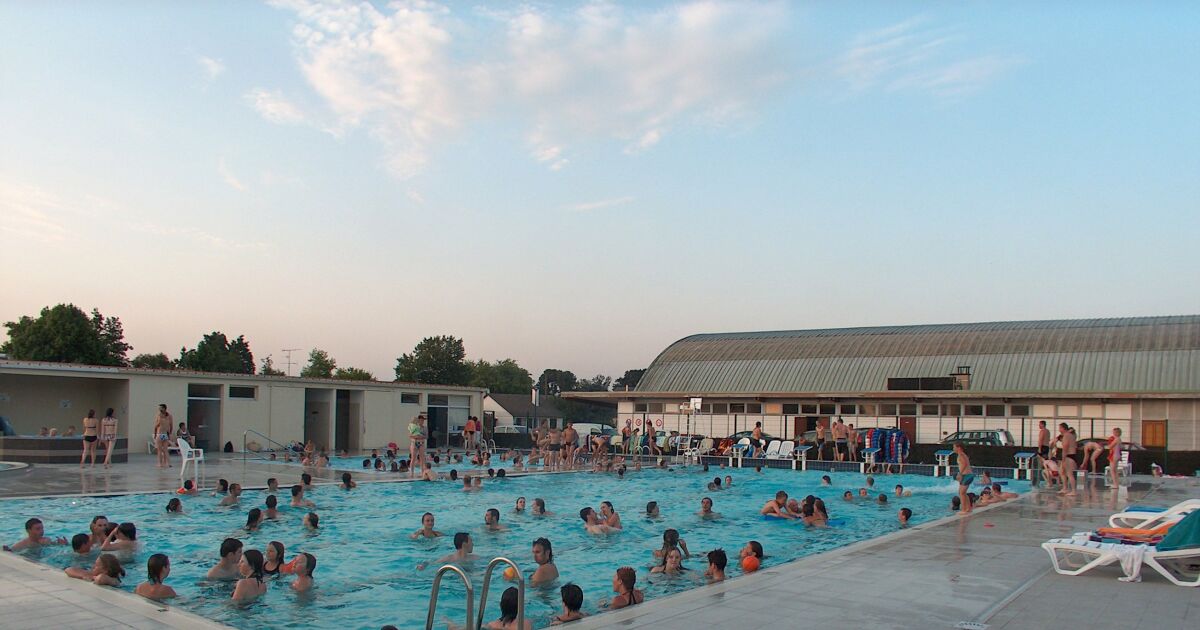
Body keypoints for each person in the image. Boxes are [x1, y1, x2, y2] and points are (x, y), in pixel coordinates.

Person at [953, 441, 974, 514]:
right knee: (963, 493)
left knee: (961, 493)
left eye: (954, 447)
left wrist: (959, 474)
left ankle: (964, 509)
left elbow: (964, 465)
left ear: (958, 447)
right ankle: (968, 508)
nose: (953, 448)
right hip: (967, 475)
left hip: (966, 476)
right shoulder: (962, 455)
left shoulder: (961, 455)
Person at [1058, 423, 1078, 495]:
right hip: (1071, 455)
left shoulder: (1066, 436)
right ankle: (1065, 488)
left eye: (1060, 428)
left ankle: (1073, 491)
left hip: (1068, 456)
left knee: (1069, 474)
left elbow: (1065, 448)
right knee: (1062, 472)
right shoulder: (1071, 435)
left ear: (1063, 428)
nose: (1059, 429)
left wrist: (1063, 460)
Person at [153, 404, 173, 468]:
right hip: (165, 434)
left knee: (159, 450)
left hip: (160, 434)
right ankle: (167, 463)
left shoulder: (159, 416)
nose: (159, 409)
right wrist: (169, 434)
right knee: (165, 449)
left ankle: (160, 463)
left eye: (160, 408)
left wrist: (155, 434)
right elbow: (171, 426)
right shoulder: (169, 416)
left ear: (164, 408)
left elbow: (156, 426)